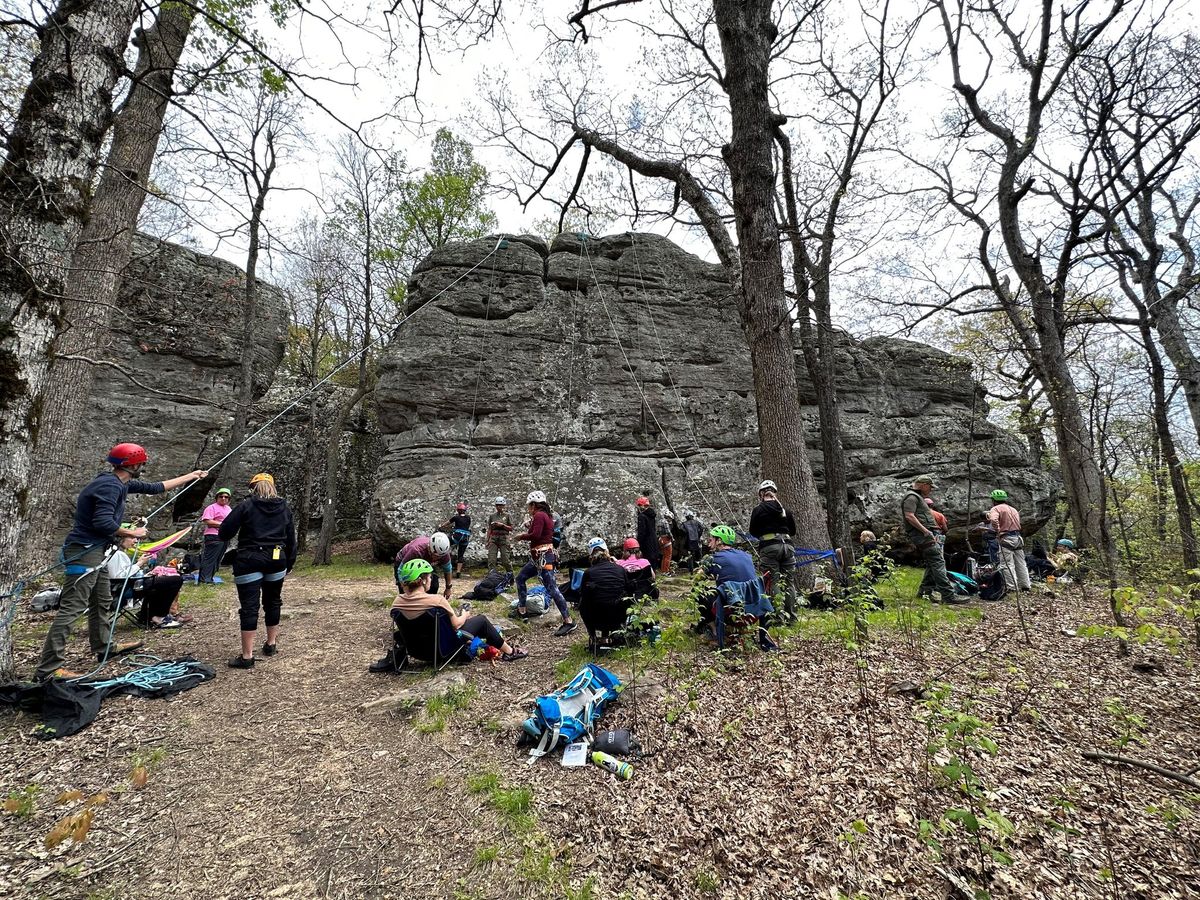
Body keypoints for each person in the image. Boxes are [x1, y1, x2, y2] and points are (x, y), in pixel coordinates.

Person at [35, 442, 207, 680]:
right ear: (132, 464)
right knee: (72, 607)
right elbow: (102, 522)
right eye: (141, 463)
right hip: (86, 550)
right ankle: (48, 668)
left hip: (99, 552)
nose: (143, 466)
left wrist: (192, 476)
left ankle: (103, 646)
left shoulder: (120, 482)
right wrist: (131, 533)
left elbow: (156, 488)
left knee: (103, 599)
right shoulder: (109, 486)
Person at [218, 472, 297, 669]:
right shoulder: (284, 508)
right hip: (277, 559)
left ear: (254, 488)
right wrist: (289, 564)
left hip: (249, 559)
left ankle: (247, 656)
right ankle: (271, 644)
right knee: (273, 601)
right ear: (273, 487)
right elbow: (291, 539)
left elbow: (225, 532)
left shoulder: (246, 506)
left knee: (249, 607)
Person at [394, 559, 526, 661]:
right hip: (443, 650)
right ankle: (509, 652)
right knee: (481, 621)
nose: (430, 579)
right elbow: (456, 624)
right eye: (429, 577)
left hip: (418, 653)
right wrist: (465, 614)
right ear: (422, 580)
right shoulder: (437, 601)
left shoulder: (397, 604)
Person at [513, 490, 576, 636]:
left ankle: (568, 621)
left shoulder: (540, 515)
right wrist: (530, 524)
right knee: (520, 578)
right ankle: (522, 610)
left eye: (529, 506)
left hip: (543, 557)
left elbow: (535, 535)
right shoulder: (546, 516)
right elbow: (539, 532)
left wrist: (521, 536)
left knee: (553, 589)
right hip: (539, 557)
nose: (528, 508)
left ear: (534, 505)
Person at [901, 475, 959, 605]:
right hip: (924, 535)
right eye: (930, 487)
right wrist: (925, 531)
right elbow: (909, 516)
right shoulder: (911, 497)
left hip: (926, 534)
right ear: (923, 485)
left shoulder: (916, 497)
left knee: (932, 563)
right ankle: (948, 595)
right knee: (938, 562)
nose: (931, 490)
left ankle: (924, 592)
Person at [105, 533, 185, 628]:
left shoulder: (117, 552)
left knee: (162, 581)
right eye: (132, 537)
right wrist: (139, 563)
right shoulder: (116, 554)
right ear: (120, 538)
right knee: (175, 580)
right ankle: (160, 616)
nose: (135, 541)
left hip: (128, 585)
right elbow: (118, 577)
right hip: (124, 589)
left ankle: (146, 616)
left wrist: (144, 575)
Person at [748, 479, 799, 617]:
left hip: (769, 547)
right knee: (789, 582)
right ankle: (792, 616)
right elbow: (792, 530)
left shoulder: (758, 510)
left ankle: (778, 616)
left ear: (761, 494)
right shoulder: (784, 510)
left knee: (773, 581)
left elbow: (753, 530)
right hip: (787, 546)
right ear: (774, 493)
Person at [696, 524, 760, 630]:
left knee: (700, 593)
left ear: (719, 541)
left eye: (711, 540)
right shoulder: (747, 556)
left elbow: (697, 577)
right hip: (754, 610)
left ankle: (713, 630)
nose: (708, 543)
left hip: (732, 609)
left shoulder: (713, 559)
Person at [578, 538, 633, 651]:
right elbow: (629, 590)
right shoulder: (620, 570)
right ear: (607, 551)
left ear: (591, 556)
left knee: (583, 603)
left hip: (597, 618)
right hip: (618, 616)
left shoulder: (589, 573)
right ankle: (620, 633)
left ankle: (594, 636)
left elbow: (583, 594)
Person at [987, 489, 1030, 592]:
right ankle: (1025, 586)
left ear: (993, 500)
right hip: (1017, 537)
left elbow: (993, 519)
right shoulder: (1013, 509)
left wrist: (997, 530)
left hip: (1006, 538)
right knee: (1020, 563)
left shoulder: (995, 509)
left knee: (1007, 564)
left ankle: (1011, 587)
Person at [396, 533, 454, 598]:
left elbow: (448, 569)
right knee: (408, 588)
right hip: (405, 561)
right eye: (434, 555)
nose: (436, 558)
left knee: (433, 586)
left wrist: (448, 588)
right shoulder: (416, 550)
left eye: (439, 556)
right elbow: (400, 570)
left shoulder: (444, 554)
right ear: (429, 548)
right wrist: (403, 586)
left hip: (426, 564)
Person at [199, 487, 233, 583]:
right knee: (210, 558)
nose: (223, 498)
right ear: (217, 497)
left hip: (224, 536)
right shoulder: (211, 507)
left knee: (218, 558)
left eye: (226, 497)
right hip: (213, 535)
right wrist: (223, 525)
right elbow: (207, 520)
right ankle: (205, 580)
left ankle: (210, 578)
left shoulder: (228, 509)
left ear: (229, 499)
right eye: (221, 496)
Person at [440, 503, 472, 576]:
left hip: (457, 536)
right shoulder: (468, 518)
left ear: (458, 510)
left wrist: (441, 526)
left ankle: (444, 563)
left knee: (445, 544)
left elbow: (447, 523)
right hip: (466, 537)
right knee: (460, 554)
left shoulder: (456, 517)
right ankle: (458, 571)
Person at [486, 497, 514, 572]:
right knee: (491, 560)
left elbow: (511, 528)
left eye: (501, 505)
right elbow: (489, 529)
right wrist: (487, 540)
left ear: (504, 506)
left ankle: (510, 575)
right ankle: (491, 577)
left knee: (505, 560)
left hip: (504, 538)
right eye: (497, 505)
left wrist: (502, 525)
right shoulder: (492, 516)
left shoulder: (507, 515)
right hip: (494, 538)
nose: (499, 507)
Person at [635, 496, 662, 570]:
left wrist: (638, 542)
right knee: (653, 562)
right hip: (653, 541)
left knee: (647, 563)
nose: (639, 507)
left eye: (639, 505)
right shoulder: (652, 515)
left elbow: (642, 532)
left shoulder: (642, 516)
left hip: (646, 543)